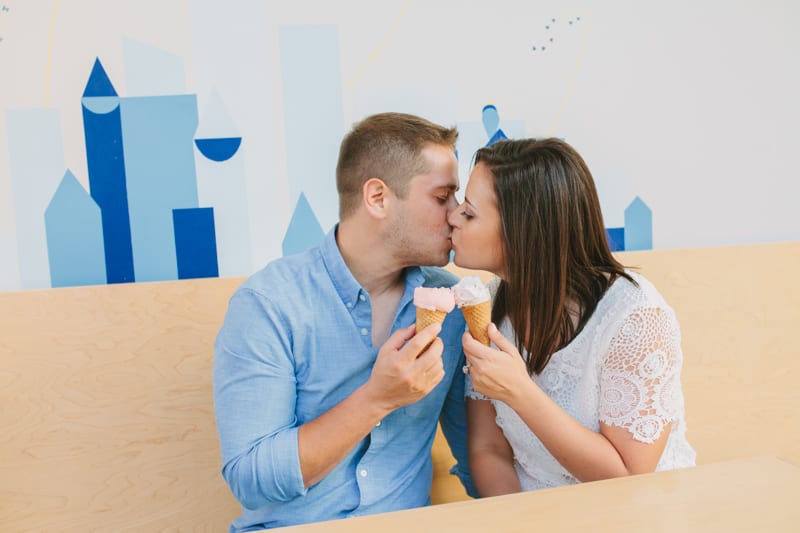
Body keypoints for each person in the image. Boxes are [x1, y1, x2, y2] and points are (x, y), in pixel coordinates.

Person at [214, 112, 476, 531]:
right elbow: (252, 479)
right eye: (442, 196)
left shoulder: (451, 305)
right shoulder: (268, 304)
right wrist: (378, 398)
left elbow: (477, 457)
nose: (456, 214)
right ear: (377, 198)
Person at [448, 138, 696, 496]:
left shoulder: (635, 318)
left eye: (469, 213)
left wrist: (520, 393)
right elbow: (489, 451)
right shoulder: (486, 306)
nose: (453, 217)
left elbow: (629, 478)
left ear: (522, 233)